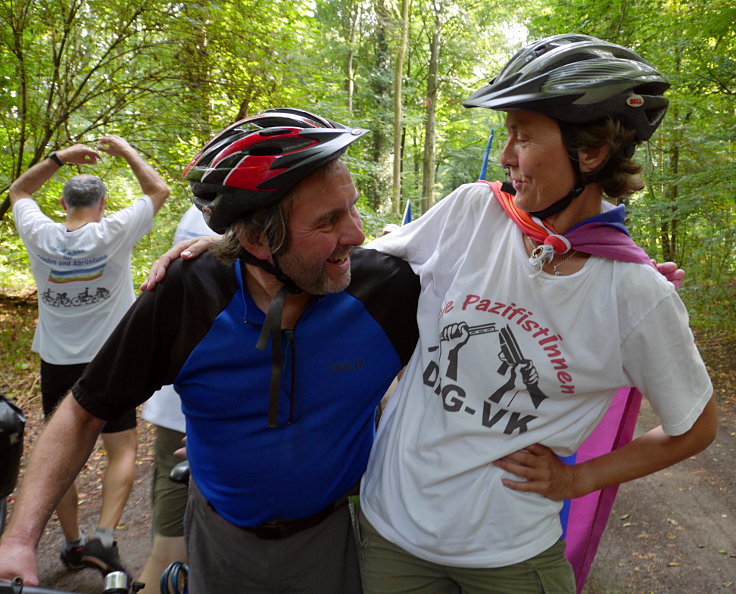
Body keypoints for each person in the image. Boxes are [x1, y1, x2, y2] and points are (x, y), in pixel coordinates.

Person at [0, 108, 420, 593]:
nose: (356, 233)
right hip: (219, 539)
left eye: (352, 206)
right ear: (258, 237)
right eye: (328, 221)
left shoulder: (386, 289)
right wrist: (19, 540)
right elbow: (82, 413)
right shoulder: (189, 293)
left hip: (337, 534)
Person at [356, 34, 717, 593]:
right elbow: (353, 265)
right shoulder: (473, 213)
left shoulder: (636, 295)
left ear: (591, 152)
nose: (506, 156)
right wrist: (239, 249)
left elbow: (695, 426)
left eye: (522, 136)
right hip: (391, 532)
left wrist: (578, 479)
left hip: (512, 554)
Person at [8, 136, 170, 575]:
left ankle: (74, 543)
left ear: (62, 203)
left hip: (57, 361)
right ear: (101, 205)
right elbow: (158, 190)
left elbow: (19, 192)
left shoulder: (40, 232)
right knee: (122, 448)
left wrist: (60, 157)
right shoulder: (112, 231)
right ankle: (103, 540)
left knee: (63, 452)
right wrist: (128, 150)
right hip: (108, 360)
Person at [136, 205, 212, 593]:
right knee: (171, 548)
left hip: (185, 404)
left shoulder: (207, 210)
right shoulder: (216, 214)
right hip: (189, 409)